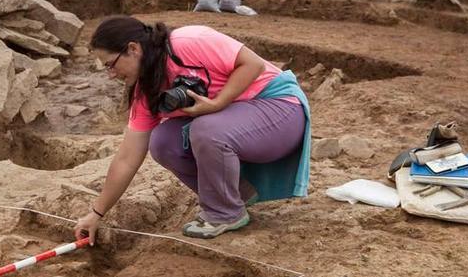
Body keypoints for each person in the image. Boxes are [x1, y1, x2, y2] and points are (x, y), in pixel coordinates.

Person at [74, 15, 311, 243]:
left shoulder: (188, 42)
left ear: (133, 49)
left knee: (206, 129)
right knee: (163, 142)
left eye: (111, 65)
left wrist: (219, 102)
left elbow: (253, 64)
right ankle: (236, 195)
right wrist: (97, 213)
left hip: (280, 110)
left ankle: (224, 213)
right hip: (237, 122)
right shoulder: (146, 91)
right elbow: (127, 158)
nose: (111, 74)